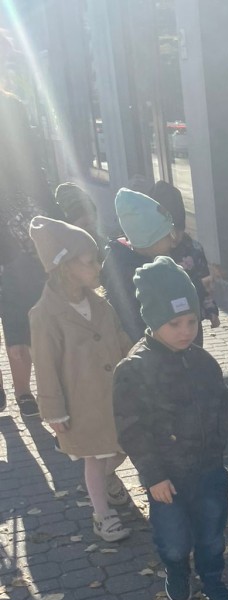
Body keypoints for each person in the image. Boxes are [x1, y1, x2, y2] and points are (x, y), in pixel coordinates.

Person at [113, 257, 228, 600]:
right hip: (166, 478)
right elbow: (131, 428)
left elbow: (222, 403)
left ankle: (213, 580)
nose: (185, 332)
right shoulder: (134, 369)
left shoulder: (203, 361)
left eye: (191, 321)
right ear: (152, 321)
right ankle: (177, 570)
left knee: (211, 533)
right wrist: (153, 475)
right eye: (174, 324)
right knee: (174, 539)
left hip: (209, 468)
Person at [28, 216, 133, 542]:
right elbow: (44, 365)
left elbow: (120, 338)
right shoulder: (45, 315)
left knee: (121, 448)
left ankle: (108, 479)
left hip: (114, 395)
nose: (97, 267)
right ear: (65, 267)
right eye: (89, 262)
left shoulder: (100, 304)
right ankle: (102, 514)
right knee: (95, 458)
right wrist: (53, 410)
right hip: (81, 404)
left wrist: (139, 361)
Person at [0, 31, 55, 415]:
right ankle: (19, 391)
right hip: (15, 229)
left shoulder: (12, 108)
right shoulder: (12, 108)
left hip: (14, 230)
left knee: (19, 309)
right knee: (19, 307)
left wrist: (51, 218)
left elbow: (33, 169)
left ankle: (23, 391)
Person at [101, 188, 177, 344]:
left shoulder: (149, 261)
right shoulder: (127, 275)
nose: (173, 240)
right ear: (148, 240)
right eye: (167, 235)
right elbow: (133, 322)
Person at [149, 179, 220, 345]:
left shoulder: (193, 249)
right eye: (169, 233)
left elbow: (205, 282)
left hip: (191, 322)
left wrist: (211, 309)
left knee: (193, 355)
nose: (174, 239)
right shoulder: (149, 252)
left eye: (178, 231)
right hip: (163, 325)